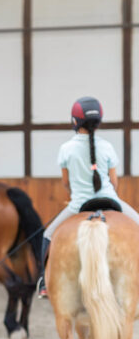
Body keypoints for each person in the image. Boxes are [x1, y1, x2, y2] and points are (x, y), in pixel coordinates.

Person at [37, 96, 139, 298]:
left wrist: (77, 192)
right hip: (111, 201)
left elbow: (66, 183)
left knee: (48, 235)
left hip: (78, 206)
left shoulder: (66, 149)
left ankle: (44, 283)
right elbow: (114, 182)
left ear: (75, 121)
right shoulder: (107, 147)